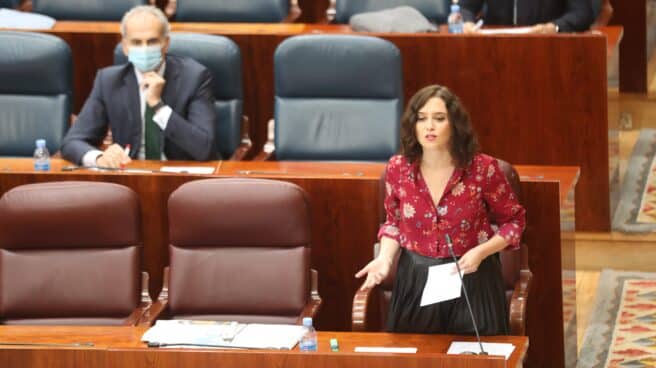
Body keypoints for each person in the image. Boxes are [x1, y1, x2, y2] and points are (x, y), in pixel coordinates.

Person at [355, 85, 526, 335]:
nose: (429, 127)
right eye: (421, 118)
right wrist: (384, 258)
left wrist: (482, 252)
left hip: (473, 277)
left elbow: (514, 222)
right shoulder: (398, 169)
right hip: (416, 278)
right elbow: (394, 223)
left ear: (455, 125)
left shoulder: (482, 169)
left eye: (439, 118)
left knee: (473, 358)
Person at [61, 5, 216, 168]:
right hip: (131, 175)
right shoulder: (109, 81)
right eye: (136, 42)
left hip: (182, 176)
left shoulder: (194, 77)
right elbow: (72, 142)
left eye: (152, 41)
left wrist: (158, 106)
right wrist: (99, 158)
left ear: (166, 43)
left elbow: (203, 148)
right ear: (125, 47)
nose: (144, 49)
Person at [460, 0, 594, 34]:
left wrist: (555, 27)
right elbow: (467, 6)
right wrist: (468, 22)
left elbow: (582, 13)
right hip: (496, 48)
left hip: (549, 47)